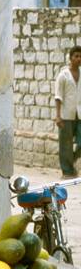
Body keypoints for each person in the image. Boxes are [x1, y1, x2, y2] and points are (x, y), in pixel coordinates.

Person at [54, 45, 81, 178]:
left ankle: (73, 160)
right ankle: (68, 172)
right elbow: (58, 96)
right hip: (66, 115)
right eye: (76, 56)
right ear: (70, 58)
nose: (79, 59)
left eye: (80, 56)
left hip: (79, 114)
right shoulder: (63, 75)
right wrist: (58, 116)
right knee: (65, 145)